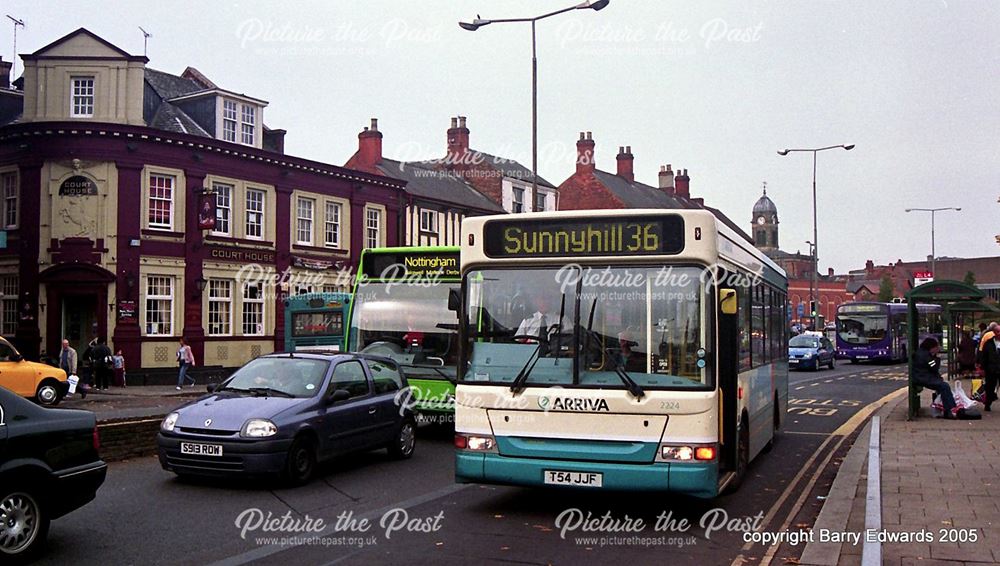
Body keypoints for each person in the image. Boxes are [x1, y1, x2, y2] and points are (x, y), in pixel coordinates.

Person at [911, 337, 957, 419]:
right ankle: (950, 409)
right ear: (931, 347)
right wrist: (936, 357)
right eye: (936, 347)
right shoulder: (926, 356)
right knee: (944, 386)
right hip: (922, 378)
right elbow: (934, 367)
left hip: (921, 376)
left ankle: (948, 409)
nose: (937, 349)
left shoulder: (922, 353)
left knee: (942, 386)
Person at [980, 330, 1000, 412]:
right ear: (994, 333)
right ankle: (988, 404)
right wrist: (983, 367)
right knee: (990, 387)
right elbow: (984, 355)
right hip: (991, 369)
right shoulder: (988, 343)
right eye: (998, 332)